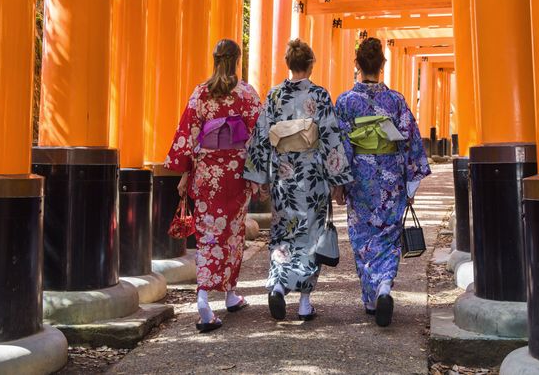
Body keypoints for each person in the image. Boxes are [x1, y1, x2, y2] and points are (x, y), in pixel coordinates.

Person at [244, 38, 353, 322]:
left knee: (283, 233)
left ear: (288, 65)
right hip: (313, 178)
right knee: (310, 237)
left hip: (283, 177)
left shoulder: (274, 96)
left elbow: (262, 138)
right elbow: (330, 138)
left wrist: (261, 177)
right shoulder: (319, 96)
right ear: (310, 64)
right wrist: (338, 179)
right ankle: (304, 303)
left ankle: (279, 284)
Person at [164, 39, 262, 333]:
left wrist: (186, 171)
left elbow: (189, 134)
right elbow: (258, 134)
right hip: (235, 173)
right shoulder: (245, 93)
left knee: (208, 235)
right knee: (233, 232)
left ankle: (210, 297)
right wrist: (259, 174)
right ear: (237, 60)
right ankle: (225, 295)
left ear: (215, 59)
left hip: (207, 174)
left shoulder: (201, 93)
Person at [335, 37, 431, 327]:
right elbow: (411, 141)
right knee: (389, 236)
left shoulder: (346, 101)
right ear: (382, 65)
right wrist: (411, 184)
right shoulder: (396, 100)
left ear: (357, 64)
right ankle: (385, 286)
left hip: (360, 177)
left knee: (363, 236)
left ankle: (371, 297)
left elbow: (339, 145)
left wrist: (339, 182)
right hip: (391, 178)